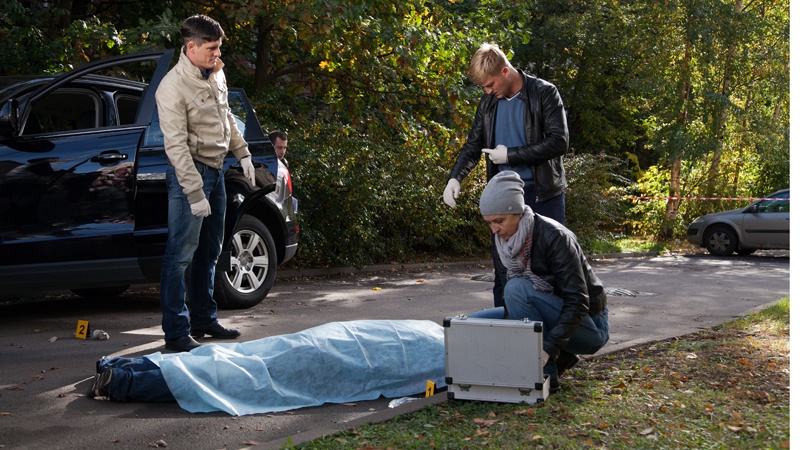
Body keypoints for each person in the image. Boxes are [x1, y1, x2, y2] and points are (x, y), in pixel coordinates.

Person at [84, 320, 446, 416]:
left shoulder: (437, 332)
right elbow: (396, 381)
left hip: (327, 340)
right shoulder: (444, 357)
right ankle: (121, 381)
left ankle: (121, 369)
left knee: (232, 360)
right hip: (333, 358)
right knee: (230, 377)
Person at [155, 15, 256, 353]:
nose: (217, 54)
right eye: (212, 49)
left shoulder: (216, 72)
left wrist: (242, 153)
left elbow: (226, 115)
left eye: (219, 48)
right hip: (191, 176)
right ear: (191, 47)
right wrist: (194, 192)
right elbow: (175, 146)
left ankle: (203, 319)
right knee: (180, 255)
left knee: (211, 250)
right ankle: (176, 331)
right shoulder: (171, 87)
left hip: (218, 170)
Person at [442, 43, 570, 308]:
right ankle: (507, 339)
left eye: (490, 85)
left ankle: (560, 345)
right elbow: (473, 145)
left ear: (505, 71)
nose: (488, 92)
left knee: (554, 271)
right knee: (504, 273)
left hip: (544, 194)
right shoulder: (489, 102)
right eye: (484, 88)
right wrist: (455, 178)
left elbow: (559, 141)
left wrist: (511, 154)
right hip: (504, 201)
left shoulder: (544, 93)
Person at [469, 171, 609, 392]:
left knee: (517, 289)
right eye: (489, 223)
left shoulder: (555, 237)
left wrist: (546, 349)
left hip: (590, 326)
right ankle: (557, 358)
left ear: (517, 212)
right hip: (547, 311)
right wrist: (509, 342)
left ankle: (544, 374)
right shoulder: (502, 241)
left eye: (499, 221)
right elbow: (509, 302)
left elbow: (578, 301)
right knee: (471, 324)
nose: (494, 229)